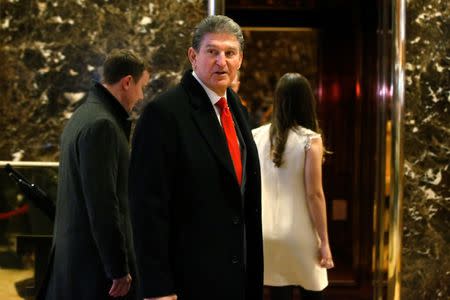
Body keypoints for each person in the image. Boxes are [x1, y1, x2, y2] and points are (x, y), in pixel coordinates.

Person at [128, 15, 263, 300]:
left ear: (240, 59)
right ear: (193, 56)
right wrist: (157, 288)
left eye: (230, 53)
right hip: (188, 280)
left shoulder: (235, 106)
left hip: (235, 277)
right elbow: (146, 207)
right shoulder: (164, 113)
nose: (221, 61)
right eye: (212, 51)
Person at [43, 49, 150, 300]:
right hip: (95, 273)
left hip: (78, 266)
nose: (141, 95)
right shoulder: (103, 125)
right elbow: (103, 205)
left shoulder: (84, 114)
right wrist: (118, 268)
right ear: (127, 82)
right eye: (141, 87)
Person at [252, 73, 334, 300]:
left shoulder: (256, 136)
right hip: (301, 234)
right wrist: (325, 241)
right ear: (307, 101)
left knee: (279, 293)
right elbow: (314, 194)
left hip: (264, 233)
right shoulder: (310, 140)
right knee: (314, 293)